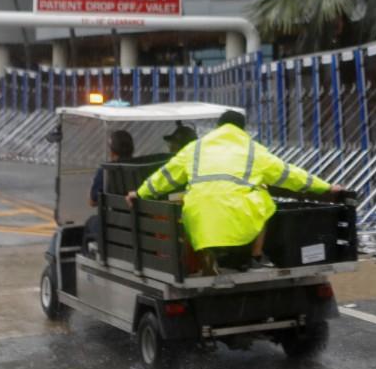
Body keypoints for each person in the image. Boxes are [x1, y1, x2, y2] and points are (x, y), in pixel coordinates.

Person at [127, 110, 343, 270]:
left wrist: (140, 193)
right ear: (242, 129)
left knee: (192, 201)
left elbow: (165, 176)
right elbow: (292, 175)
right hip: (242, 222)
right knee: (265, 199)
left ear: (218, 127)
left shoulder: (195, 148)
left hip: (201, 223)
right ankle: (256, 256)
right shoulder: (254, 150)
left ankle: (208, 262)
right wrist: (326, 188)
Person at [85, 129, 135, 255]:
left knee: (91, 222)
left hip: (114, 224)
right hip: (139, 223)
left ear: (112, 152)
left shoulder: (106, 171)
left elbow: (92, 201)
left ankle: (88, 259)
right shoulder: (140, 167)